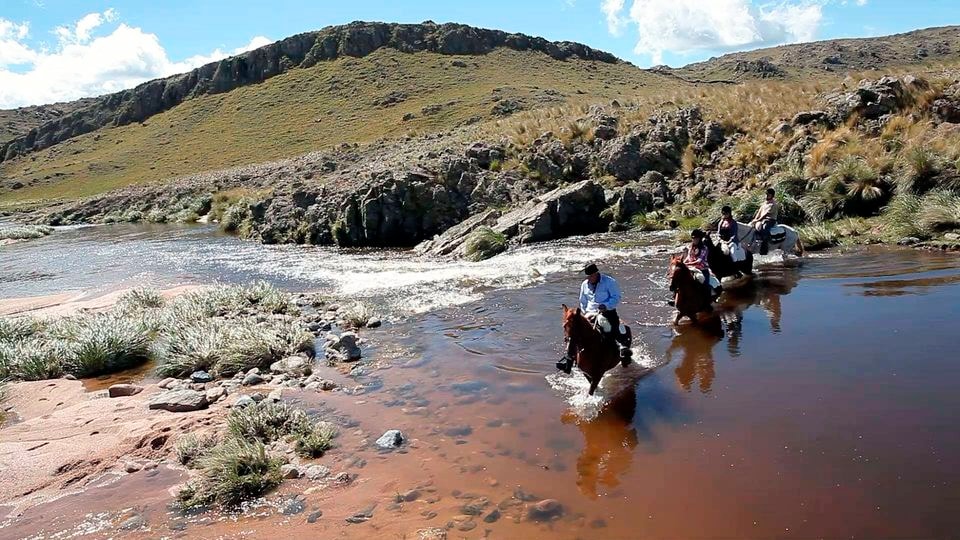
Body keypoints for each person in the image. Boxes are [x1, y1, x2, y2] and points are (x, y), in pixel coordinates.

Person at [557, 263, 630, 374]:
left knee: (606, 325)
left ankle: (620, 347)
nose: (589, 278)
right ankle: (569, 359)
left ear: (596, 273)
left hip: (606, 311)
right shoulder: (585, 285)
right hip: (589, 313)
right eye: (588, 276)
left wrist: (606, 305)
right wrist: (586, 314)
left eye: (591, 275)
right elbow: (583, 301)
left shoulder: (609, 282)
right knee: (574, 331)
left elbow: (616, 297)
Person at [670, 229, 712, 306]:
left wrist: (687, 264)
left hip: (702, 269)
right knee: (678, 279)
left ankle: (707, 303)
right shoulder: (691, 247)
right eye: (693, 238)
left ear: (700, 239)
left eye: (696, 238)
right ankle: (675, 297)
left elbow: (699, 261)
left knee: (705, 285)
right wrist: (683, 263)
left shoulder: (704, 248)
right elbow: (688, 257)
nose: (694, 240)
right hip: (691, 267)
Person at [750, 188, 779, 255]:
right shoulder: (764, 203)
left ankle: (764, 248)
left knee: (764, 228)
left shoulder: (773, 204)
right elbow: (759, 212)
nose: (766, 196)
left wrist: (758, 220)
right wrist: (754, 219)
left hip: (770, 220)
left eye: (768, 194)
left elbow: (766, 214)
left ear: (771, 195)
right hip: (762, 220)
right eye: (766, 194)